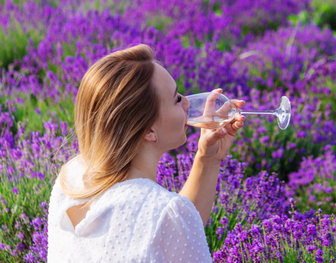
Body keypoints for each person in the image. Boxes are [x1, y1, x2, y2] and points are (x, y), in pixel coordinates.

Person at [47, 44, 245, 262]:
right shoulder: (162, 211)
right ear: (149, 130)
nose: (187, 102)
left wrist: (207, 158)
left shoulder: (71, 179)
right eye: (176, 99)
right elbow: (166, 224)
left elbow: (172, 236)